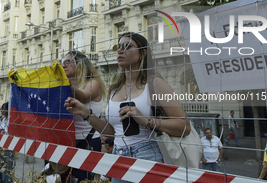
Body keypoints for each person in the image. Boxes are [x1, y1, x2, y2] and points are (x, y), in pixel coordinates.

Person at [65, 32, 191, 183]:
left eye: (127, 46)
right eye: (117, 47)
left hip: (149, 156)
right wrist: (85, 113)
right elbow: (112, 133)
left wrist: (148, 121)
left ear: (142, 53)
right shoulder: (114, 89)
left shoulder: (155, 84)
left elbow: (184, 125)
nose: (120, 50)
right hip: (119, 158)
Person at [57, 50, 106, 183]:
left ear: (81, 64)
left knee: (84, 180)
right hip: (67, 141)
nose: (64, 66)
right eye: (62, 63)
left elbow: (82, 97)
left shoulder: (93, 83)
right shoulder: (67, 84)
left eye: (68, 62)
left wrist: (60, 80)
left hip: (87, 142)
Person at [0, 102, 15, 183]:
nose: (2, 111)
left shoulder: (11, 121)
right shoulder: (3, 119)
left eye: (3, 109)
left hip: (7, 148)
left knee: (6, 171)